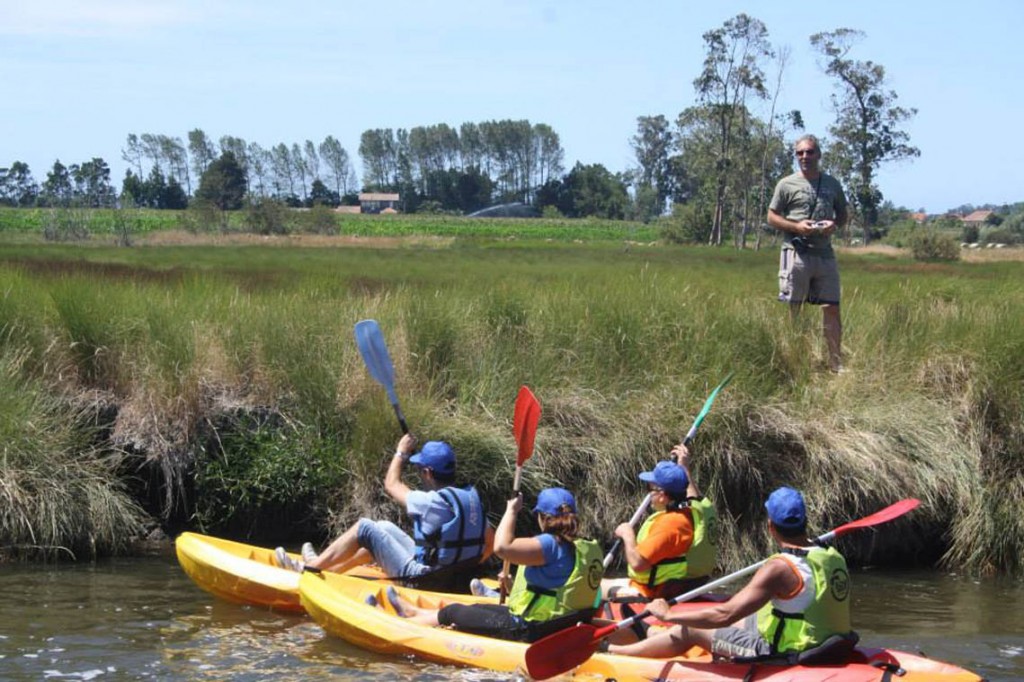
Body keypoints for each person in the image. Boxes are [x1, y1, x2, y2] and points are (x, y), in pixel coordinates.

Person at [608, 486, 852, 661]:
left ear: (770, 526)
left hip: (785, 650)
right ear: (804, 521)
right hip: (824, 640)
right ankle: (652, 634)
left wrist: (669, 614)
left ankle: (614, 652)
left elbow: (724, 614)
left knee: (689, 629)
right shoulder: (831, 555)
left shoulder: (779, 568)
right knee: (744, 617)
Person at [376, 487, 605, 643]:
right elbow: (558, 588)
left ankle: (399, 625)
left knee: (453, 612)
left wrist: (511, 511)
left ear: (543, 518)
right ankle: (415, 612)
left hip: (529, 629)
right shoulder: (587, 547)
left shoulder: (550, 544)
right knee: (476, 607)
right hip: (556, 626)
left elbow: (502, 547)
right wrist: (512, 585)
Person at [275, 434, 490, 582]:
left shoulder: (430, 502)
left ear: (427, 473)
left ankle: (310, 568)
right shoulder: (470, 503)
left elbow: (392, 484)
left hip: (421, 579)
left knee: (365, 528)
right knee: (384, 527)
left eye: (419, 470)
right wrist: (456, 571)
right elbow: (491, 543)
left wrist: (401, 453)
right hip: (450, 579)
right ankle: (331, 571)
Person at [767, 134, 850, 373]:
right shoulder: (786, 184)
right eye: (800, 153)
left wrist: (834, 225)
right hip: (796, 253)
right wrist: (796, 227)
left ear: (819, 154)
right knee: (796, 308)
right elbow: (771, 216)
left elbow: (843, 215)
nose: (805, 156)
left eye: (810, 152)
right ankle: (797, 361)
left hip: (825, 255)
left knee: (832, 307)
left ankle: (835, 363)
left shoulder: (832, 184)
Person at [601, 444, 718, 602]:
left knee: (595, 587)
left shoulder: (670, 525)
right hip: (684, 584)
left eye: (650, 488)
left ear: (662, 496)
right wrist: (683, 467)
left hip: (654, 591)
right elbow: (691, 493)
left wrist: (627, 535)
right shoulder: (697, 509)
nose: (649, 494)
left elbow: (637, 564)